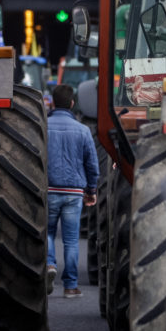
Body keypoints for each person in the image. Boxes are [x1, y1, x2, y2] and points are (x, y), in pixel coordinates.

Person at [46, 83, 99, 298]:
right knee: (71, 240)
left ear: (51, 103)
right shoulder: (83, 130)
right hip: (74, 193)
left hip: (48, 190)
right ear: (72, 104)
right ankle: (70, 286)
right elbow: (92, 164)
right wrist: (91, 190)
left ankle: (49, 264)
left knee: (47, 232)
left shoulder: (43, 127)